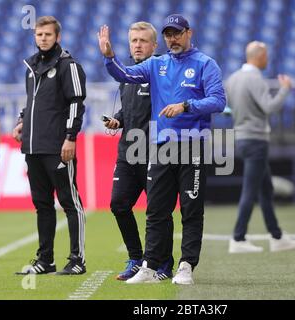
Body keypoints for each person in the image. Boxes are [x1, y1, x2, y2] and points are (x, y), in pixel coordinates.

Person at [98, 14, 226, 284]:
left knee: (191, 210)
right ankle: (150, 266)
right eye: (168, 34)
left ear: (188, 33)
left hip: (193, 145)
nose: (172, 38)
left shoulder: (205, 64)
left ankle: (186, 265)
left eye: (177, 33)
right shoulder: (157, 64)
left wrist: (187, 105)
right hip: (161, 147)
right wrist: (110, 57)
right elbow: (125, 74)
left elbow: (218, 100)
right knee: (157, 209)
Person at [12, 16, 87, 275]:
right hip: (33, 147)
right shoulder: (31, 67)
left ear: (57, 37)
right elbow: (32, 101)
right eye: (39, 34)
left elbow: (77, 103)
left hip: (57, 146)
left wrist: (70, 137)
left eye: (48, 34)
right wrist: (22, 120)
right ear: (34, 36)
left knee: (69, 202)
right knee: (42, 205)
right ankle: (46, 260)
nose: (43, 38)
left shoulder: (69, 66)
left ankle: (77, 260)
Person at [104, 21, 174, 281]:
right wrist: (118, 120)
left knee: (158, 209)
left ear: (154, 46)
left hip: (156, 152)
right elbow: (128, 109)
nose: (137, 45)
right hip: (128, 151)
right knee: (118, 204)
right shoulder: (128, 75)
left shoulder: (161, 72)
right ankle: (136, 257)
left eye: (143, 40)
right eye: (134, 40)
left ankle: (164, 263)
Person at [225, 41, 295, 253]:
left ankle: (276, 236)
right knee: (250, 191)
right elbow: (269, 107)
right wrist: (285, 90)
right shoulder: (255, 78)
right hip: (256, 139)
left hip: (241, 137)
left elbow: (226, 109)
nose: (267, 59)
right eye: (266, 55)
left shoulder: (232, 78)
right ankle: (238, 238)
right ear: (258, 56)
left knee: (265, 190)